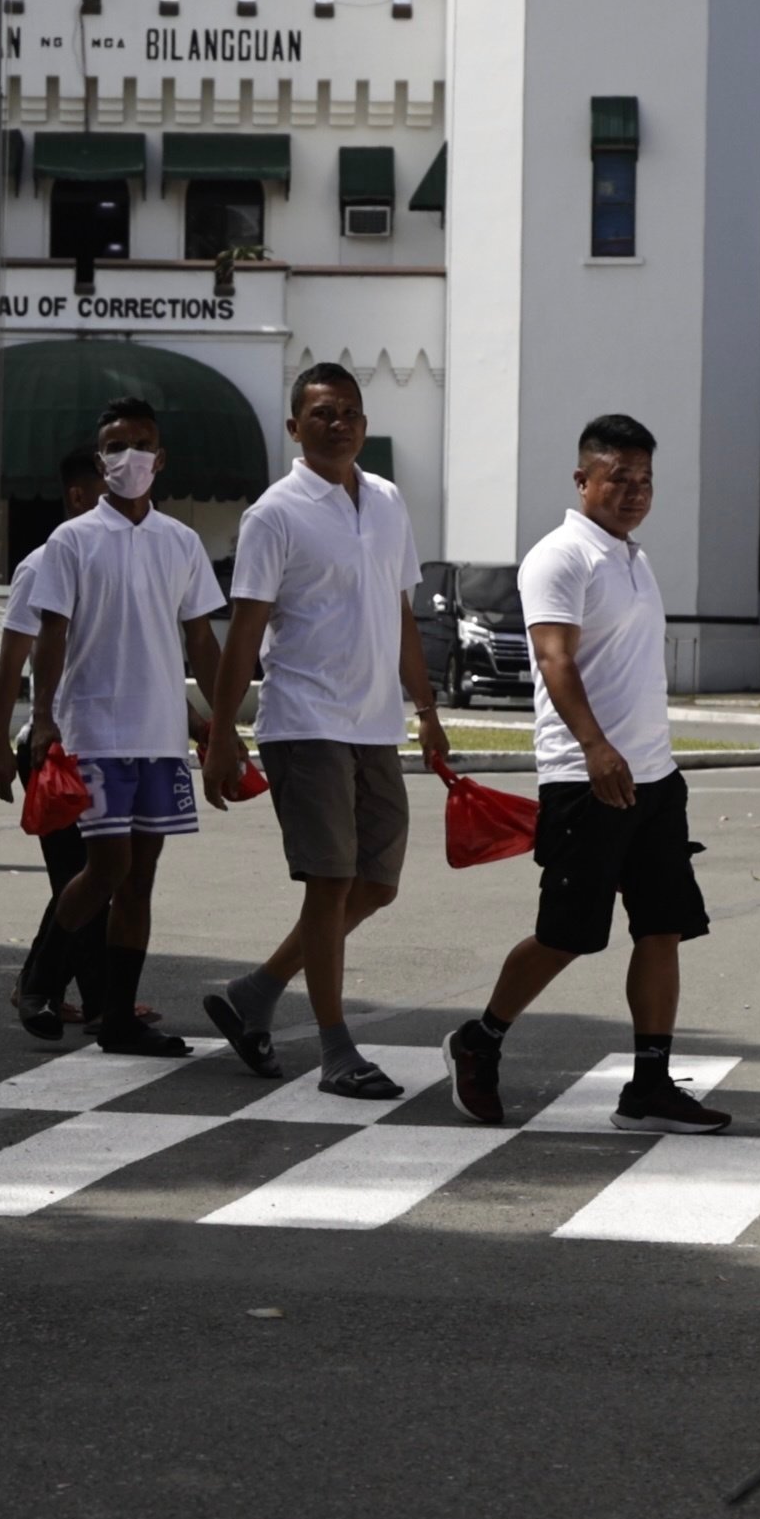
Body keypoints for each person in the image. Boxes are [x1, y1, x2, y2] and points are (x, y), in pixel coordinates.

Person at [439, 414, 727, 1134]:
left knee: (662, 928)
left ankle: (650, 1085)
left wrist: (643, 759)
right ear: (582, 479)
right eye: (618, 478)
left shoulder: (632, 556)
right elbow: (554, 661)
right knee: (567, 933)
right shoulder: (560, 557)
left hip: (654, 780)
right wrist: (595, 747)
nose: (633, 492)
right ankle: (480, 1039)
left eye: (644, 480)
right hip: (582, 775)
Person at [201, 362, 451, 1097]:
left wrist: (426, 710)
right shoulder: (274, 513)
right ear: (294, 427)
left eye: (348, 411)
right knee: (331, 878)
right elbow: (244, 630)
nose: (337, 423)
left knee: (375, 881)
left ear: (364, 424)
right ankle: (336, 1048)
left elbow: (401, 613)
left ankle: (255, 993)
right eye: (321, 413)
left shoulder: (386, 499)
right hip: (303, 721)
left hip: (374, 724)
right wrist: (221, 734)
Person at [14, 395, 226, 1059]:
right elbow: (49, 635)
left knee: (139, 879)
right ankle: (39, 979)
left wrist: (221, 725)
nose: (127, 456)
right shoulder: (71, 541)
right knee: (107, 867)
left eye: (139, 444)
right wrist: (44, 716)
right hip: (94, 730)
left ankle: (117, 1016)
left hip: (160, 736)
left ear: (159, 459)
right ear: (100, 460)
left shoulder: (180, 541)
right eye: (114, 445)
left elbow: (201, 639)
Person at [0, 445, 117, 1038]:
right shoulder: (42, 564)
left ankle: (86, 997)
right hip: (51, 747)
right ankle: (50, 990)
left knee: (93, 877)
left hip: (104, 743)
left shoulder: (118, 557)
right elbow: (12, 660)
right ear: (79, 495)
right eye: (108, 486)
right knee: (82, 876)